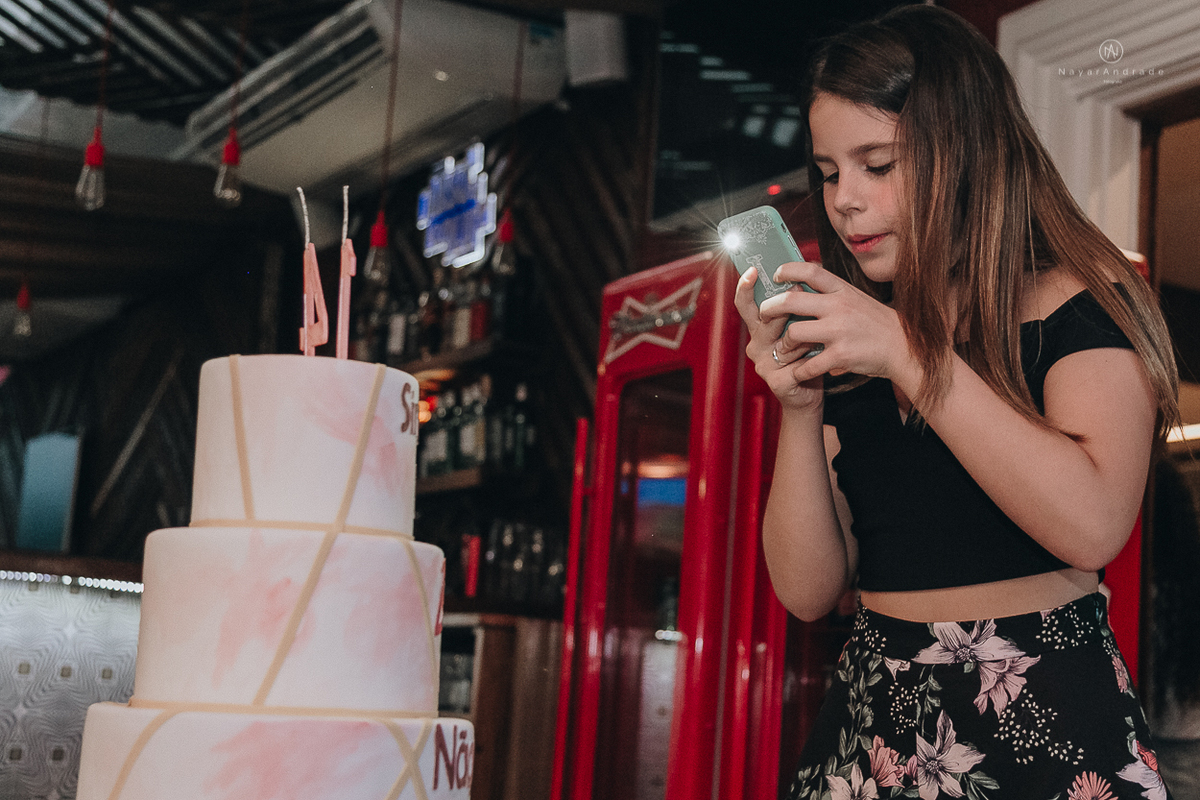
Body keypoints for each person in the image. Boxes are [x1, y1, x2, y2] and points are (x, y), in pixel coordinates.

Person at [732, 6, 1180, 799]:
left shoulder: (1083, 305)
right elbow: (805, 592)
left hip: (1039, 712)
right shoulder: (862, 338)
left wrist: (910, 354)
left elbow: (1093, 523)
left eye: (879, 163)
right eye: (831, 172)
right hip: (870, 719)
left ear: (965, 150)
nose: (844, 201)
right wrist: (799, 409)